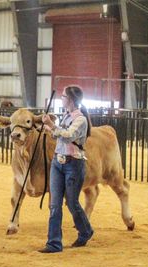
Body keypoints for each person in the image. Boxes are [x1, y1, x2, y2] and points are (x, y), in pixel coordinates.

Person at [38, 85, 94, 253]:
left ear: (70, 99)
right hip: (57, 163)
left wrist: (51, 125)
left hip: (73, 165)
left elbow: (69, 135)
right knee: (55, 205)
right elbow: (58, 135)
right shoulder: (66, 116)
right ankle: (54, 243)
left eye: (63, 96)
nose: (61, 98)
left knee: (71, 203)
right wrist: (47, 128)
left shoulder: (80, 120)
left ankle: (85, 231)